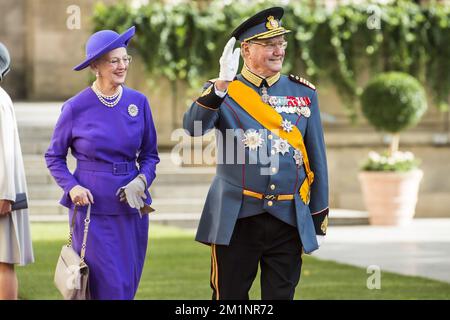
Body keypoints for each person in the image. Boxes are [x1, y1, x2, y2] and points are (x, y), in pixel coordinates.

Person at [183, 7, 329, 300]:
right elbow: (194, 128)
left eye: (281, 43)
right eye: (269, 44)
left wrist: (317, 214)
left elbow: (317, 157)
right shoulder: (224, 89)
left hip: (287, 216)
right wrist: (221, 86)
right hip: (237, 217)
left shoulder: (303, 93)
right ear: (246, 50)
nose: (278, 51)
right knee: (230, 298)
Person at [45, 26, 159, 300]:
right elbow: (54, 156)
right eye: (114, 60)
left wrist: (142, 180)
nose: (122, 66)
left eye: (125, 59)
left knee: (127, 285)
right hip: (92, 210)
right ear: (96, 65)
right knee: (109, 289)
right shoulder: (75, 107)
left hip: (132, 208)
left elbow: (150, 155)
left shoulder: (138, 102)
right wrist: (72, 187)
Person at [0, 42, 34, 300]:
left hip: (2, 193)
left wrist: (5, 193)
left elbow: (6, 149)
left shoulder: (0, 100)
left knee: (3, 260)